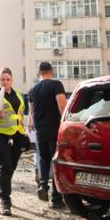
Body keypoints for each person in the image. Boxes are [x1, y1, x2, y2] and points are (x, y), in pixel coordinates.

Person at [0, 68, 27, 216]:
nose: (5, 82)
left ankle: (4, 188)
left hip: (17, 135)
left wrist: (25, 131)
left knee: (11, 167)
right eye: (2, 79)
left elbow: (20, 115)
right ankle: (5, 201)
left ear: (12, 80)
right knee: (5, 166)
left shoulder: (19, 95)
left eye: (7, 79)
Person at [28, 61, 68, 207]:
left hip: (39, 129)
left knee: (44, 158)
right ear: (51, 71)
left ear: (39, 72)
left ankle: (43, 185)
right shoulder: (56, 85)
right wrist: (66, 122)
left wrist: (30, 124)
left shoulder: (33, 89)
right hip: (54, 128)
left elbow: (31, 110)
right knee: (56, 161)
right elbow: (62, 105)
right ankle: (57, 199)